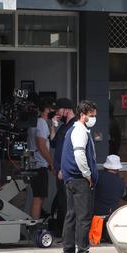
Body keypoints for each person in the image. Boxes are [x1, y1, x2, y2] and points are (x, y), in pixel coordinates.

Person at [60, 100, 102, 253]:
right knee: (83, 218)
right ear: (82, 115)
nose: (93, 119)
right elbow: (79, 155)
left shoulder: (72, 130)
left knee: (71, 216)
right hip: (80, 179)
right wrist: (88, 175)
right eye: (91, 116)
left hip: (70, 179)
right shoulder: (81, 131)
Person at [50, 97, 77, 236]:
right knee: (62, 201)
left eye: (59, 109)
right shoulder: (63, 126)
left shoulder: (75, 126)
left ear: (66, 109)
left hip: (66, 171)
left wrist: (64, 169)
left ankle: (68, 233)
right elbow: (53, 143)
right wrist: (53, 126)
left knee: (67, 202)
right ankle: (62, 231)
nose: (57, 113)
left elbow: (72, 151)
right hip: (59, 170)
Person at [28, 99, 56, 219]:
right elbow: (42, 146)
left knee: (41, 196)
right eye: (49, 110)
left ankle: (35, 223)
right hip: (39, 165)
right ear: (43, 111)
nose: (52, 112)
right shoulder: (41, 122)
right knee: (38, 198)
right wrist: (52, 163)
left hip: (38, 164)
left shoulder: (41, 123)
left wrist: (53, 125)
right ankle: (34, 227)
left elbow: (51, 140)